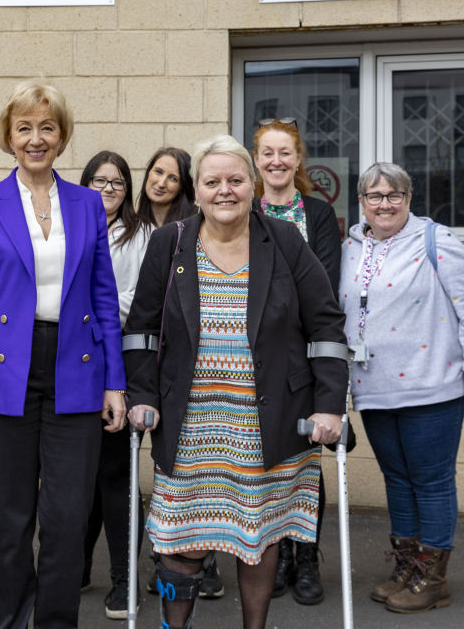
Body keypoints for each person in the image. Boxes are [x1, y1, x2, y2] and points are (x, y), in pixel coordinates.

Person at [125, 135, 348, 629]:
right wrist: (141, 395)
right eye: (212, 182)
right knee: (181, 543)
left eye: (235, 180)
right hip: (190, 424)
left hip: (266, 421)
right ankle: (171, 626)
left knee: (258, 538)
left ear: (252, 185)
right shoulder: (171, 242)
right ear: (196, 191)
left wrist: (330, 406)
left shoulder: (285, 241)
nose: (224, 190)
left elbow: (327, 325)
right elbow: (140, 329)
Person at [0, 79, 127, 629]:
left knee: (68, 519)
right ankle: (9, 621)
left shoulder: (88, 203)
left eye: (46, 127)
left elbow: (103, 296)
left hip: (76, 366)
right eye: (24, 128)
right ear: (9, 137)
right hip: (2, 371)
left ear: (62, 136)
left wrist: (114, 382)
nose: (35, 138)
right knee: (8, 517)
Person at [339, 162, 464, 614]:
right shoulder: (350, 247)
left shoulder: (435, 240)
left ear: (409, 198)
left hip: (433, 384)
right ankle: (406, 566)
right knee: (398, 479)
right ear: (361, 202)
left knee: (431, 480)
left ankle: (433, 577)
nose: (384, 204)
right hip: (374, 386)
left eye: (394, 195)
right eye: (374, 195)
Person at [252, 117, 343, 605]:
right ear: (256, 159)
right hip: (254, 352)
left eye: (285, 152)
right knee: (266, 455)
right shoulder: (243, 209)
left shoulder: (318, 213)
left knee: (305, 460)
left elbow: (323, 280)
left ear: (299, 158)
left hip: (305, 352)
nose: (276, 161)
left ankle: (305, 557)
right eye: (267, 152)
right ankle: (277, 556)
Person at [78, 150, 151, 620]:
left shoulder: (143, 234)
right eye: (100, 181)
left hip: (121, 363)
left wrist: (82, 312)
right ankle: (76, 566)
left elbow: (137, 298)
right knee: (80, 474)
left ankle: (126, 580)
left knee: (117, 475)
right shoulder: (69, 227)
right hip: (73, 365)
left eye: (118, 183)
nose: (108, 189)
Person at [135, 147, 196, 228]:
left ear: (182, 187)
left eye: (173, 179)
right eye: (158, 172)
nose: (161, 184)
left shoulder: (195, 224)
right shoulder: (131, 226)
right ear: (149, 172)